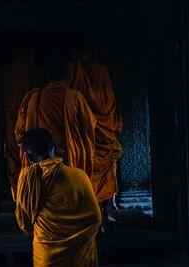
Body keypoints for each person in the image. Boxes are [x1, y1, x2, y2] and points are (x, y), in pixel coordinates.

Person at [15, 128, 101, 267]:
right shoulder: (79, 176)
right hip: (79, 257)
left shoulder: (27, 180)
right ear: (55, 148)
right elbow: (96, 218)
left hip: (47, 257)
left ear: (27, 157)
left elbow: (24, 223)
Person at [14, 54, 96, 199]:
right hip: (71, 161)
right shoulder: (75, 98)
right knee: (70, 199)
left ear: (44, 75)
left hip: (41, 162)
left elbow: (20, 133)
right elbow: (90, 128)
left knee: (44, 200)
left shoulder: (34, 98)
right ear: (67, 75)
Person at [68, 52, 123, 232]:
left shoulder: (76, 72)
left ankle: (94, 217)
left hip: (90, 131)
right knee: (106, 173)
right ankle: (106, 214)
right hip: (104, 129)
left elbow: (74, 98)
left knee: (89, 174)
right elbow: (110, 99)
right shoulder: (101, 71)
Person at [0, 46, 43, 199]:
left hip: (12, 119)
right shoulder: (37, 71)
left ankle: (18, 196)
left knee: (14, 160)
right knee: (32, 158)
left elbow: (0, 100)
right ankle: (31, 195)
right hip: (32, 121)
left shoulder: (6, 73)